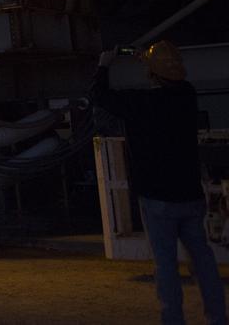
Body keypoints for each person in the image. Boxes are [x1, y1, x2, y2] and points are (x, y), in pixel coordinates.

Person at [93, 41, 227, 325]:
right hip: (190, 195)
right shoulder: (187, 95)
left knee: (165, 263)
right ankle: (217, 317)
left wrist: (104, 64)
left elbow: (100, 96)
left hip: (156, 198)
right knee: (202, 260)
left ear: (151, 73)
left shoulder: (142, 103)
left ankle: (173, 319)